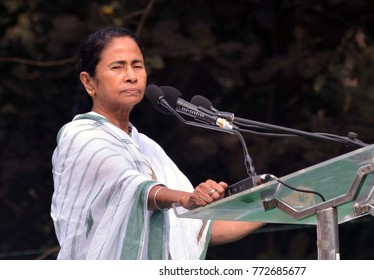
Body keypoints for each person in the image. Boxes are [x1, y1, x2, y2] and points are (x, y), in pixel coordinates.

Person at [51, 26, 262, 260]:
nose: (131, 75)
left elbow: (197, 230)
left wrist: (280, 203)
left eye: (137, 65)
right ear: (88, 82)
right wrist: (184, 198)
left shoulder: (148, 148)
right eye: (117, 67)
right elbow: (131, 187)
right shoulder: (78, 135)